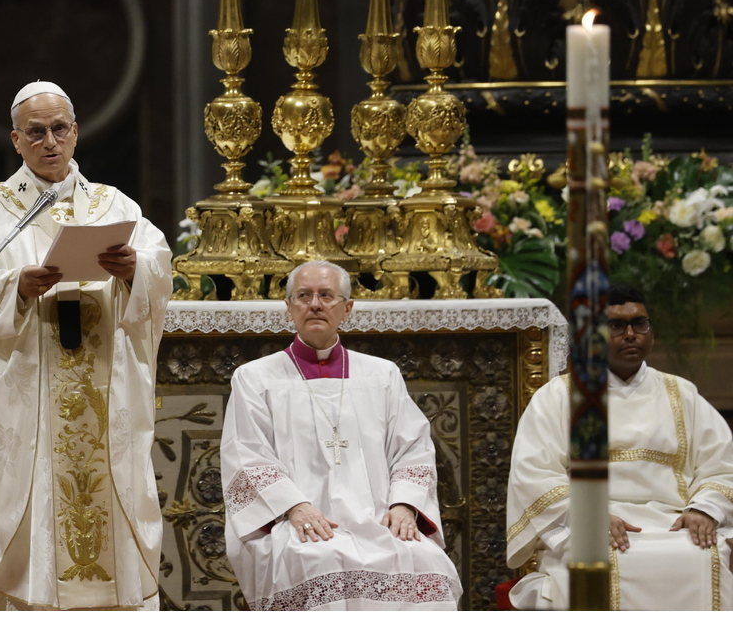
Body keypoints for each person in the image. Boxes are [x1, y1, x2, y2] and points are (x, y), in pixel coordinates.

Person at [0, 81, 172, 610]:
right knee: (27, 500)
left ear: (75, 132)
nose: (49, 141)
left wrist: (136, 270)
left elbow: (160, 266)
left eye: (59, 129)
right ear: (16, 141)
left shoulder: (113, 204)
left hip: (102, 384)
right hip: (23, 388)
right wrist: (14, 286)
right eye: (36, 132)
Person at [221, 260, 462, 610]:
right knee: (320, 560)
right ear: (289, 308)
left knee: (427, 561)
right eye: (303, 296)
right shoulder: (255, 378)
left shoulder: (382, 374)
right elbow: (247, 454)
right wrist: (294, 507)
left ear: (347, 308)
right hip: (298, 519)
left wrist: (405, 504)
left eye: (326, 295)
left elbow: (413, 447)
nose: (315, 304)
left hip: (379, 518)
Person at [506, 284, 733, 610]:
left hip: (673, 523)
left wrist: (703, 509)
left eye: (640, 324)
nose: (631, 334)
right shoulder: (558, 397)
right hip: (592, 523)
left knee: (701, 554)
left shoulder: (681, 393)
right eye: (616, 326)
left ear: (651, 334)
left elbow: (721, 462)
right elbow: (533, 473)